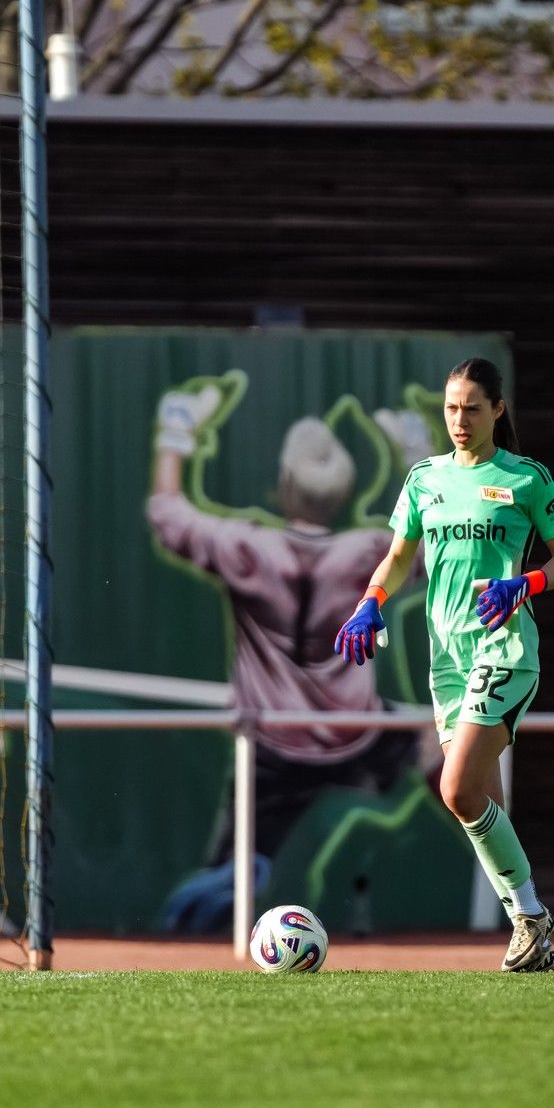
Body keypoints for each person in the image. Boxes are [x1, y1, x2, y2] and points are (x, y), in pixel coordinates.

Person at [148, 380, 437, 932]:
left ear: (284, 486)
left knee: (228, 882)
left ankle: (227, 892)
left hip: (274, 752)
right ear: (345, 492)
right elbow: (438, 541)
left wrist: (177, 431)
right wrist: (415, 456)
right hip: (360, 737)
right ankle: (498, 856)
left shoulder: (248, 548)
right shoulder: (369, 552)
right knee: (436, 748)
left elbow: (169, 513)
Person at [335, 357, 554, 972]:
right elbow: (396, 557)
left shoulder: (525, 478)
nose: (460, 419)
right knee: (475, 802)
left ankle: (529, 918)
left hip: (504, 649)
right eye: (451, 408)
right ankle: (533, 934)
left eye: (472, 407)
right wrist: (370, 603)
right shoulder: (424, 478)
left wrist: (525, 584)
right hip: (446, 659)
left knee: (454, 788)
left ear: (497, 409)